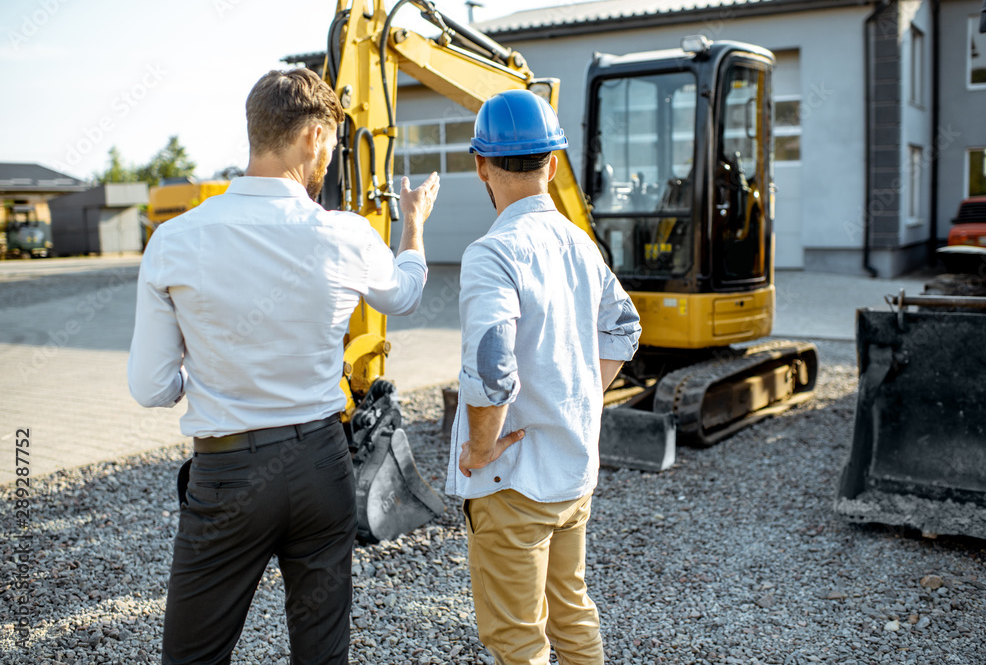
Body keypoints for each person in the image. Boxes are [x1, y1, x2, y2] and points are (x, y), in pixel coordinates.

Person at [127, 67, 440, 665]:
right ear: (315, 138)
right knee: (321, 654)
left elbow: (150, 387)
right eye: (332, 145)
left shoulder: (174, 240)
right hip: (322, 466)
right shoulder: (344, 234)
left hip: (228, 477)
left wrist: (215, 372)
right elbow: (404, 294)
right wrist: (414, 226)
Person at [447, 89, 642, 665]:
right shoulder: (580, 243)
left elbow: (491, 366)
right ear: (552, 164)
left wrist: (480, 448)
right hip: (572, 472)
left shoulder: (493, 252)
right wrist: (580, 394)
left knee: (518, 640)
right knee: (572, 613)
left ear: (480, 164)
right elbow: (626, 327)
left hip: (514, 480)